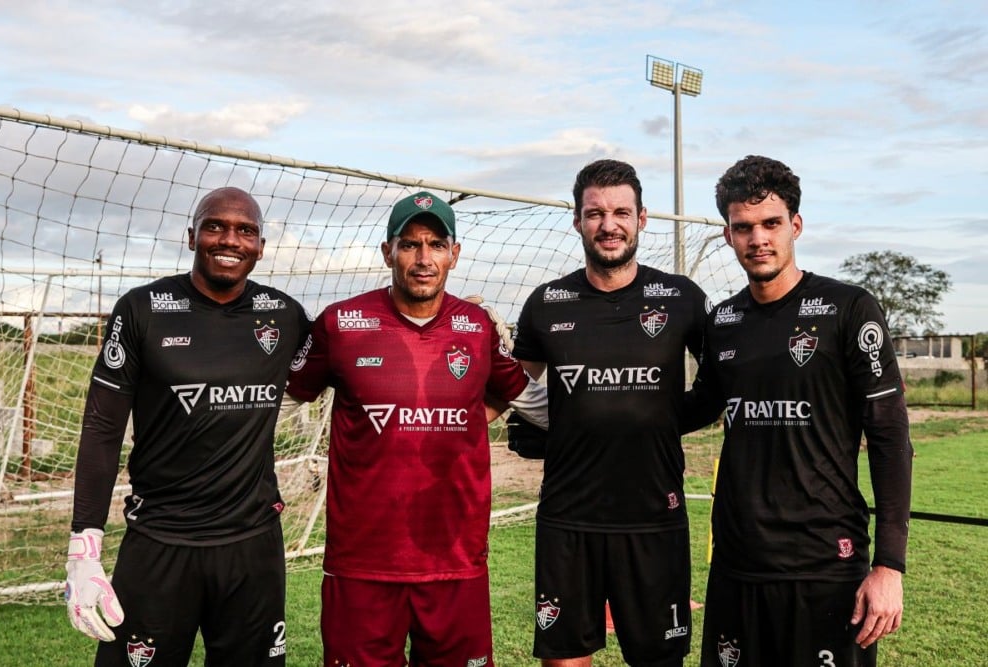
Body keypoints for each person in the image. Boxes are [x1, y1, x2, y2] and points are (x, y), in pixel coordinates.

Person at [283, 190, 547, 667]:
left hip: (455, 561)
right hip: (361, 564)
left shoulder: (477, 327)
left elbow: (529, 399)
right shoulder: (340, 323)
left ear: (454, 254)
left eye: (436, 245)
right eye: (409, 244)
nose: (424, 258)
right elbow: (283, 399)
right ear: (388, 252)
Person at [64, 187, 311, 666]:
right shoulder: (142, 309)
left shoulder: (284, 315)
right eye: (215, 226)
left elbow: (337, 369)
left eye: (246, 230)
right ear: (192, 236)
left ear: (261, 247)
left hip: (252, 545)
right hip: (160, 541)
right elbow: (102, 427)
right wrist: (84, 545)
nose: (230, 240)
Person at [686, 155, 913, 666]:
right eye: (743, 227)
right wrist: (589, 411)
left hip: (825, 564)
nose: (758, 239)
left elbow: (891, 438)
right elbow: (694, 408)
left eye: (771, 223)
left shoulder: (849, 309)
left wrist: (889, 566)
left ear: (796, 225)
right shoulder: (723, 321)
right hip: (738, 564)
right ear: (727, 235)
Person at [511, 159, 709, 666]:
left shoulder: (681, 298)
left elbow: (722, 380)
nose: (608, 225)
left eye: (621, 212)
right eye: (595, 213)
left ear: (642, 219)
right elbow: (513, 387)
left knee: (658, 659)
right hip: (568, 517)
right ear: (577, 221)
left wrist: (663, 418)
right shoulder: (546, 303)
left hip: (654, 517)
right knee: (564, 657)